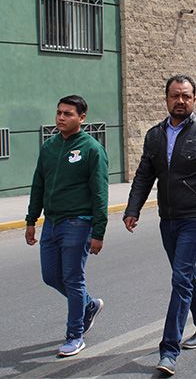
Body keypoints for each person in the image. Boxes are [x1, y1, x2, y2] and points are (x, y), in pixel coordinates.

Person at [123, 74, 196, 376]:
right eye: (174, 96)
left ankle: (169, 350)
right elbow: (145, 174)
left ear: (194, 99)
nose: (180, 101)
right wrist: (133, 209)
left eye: (186, 96)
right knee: (186, 275)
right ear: (166, 98)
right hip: (167, 220)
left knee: (180, 279)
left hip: (195, 219)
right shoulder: (155, 135)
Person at [25, 95, 108, 357]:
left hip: (78, 222)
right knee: (50, 276)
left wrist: (98, 231)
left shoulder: (92, 149)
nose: (61, 117)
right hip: (51, 223)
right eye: (59, 112)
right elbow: (39, 184)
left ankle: (75, 336)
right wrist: (31, 220)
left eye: (68, 114)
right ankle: (88, 305)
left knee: (73, 279)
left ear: (81, 118)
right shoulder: (49, 147)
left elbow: (99, 193)